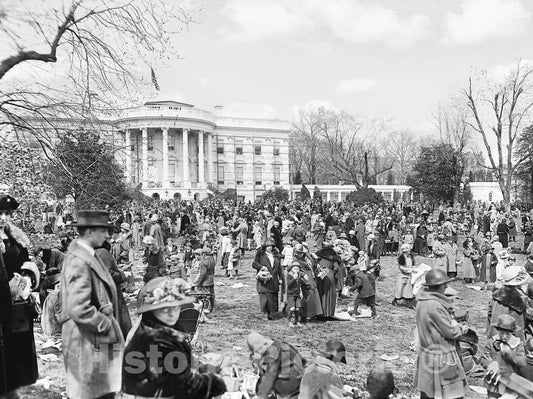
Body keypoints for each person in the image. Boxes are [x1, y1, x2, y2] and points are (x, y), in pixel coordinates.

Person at [122, 277, 227, 398]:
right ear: (152, 311)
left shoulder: (165, 326)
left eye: (176, 307)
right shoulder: (152, 338)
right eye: (165, 309)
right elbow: (181, 385)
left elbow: (179, 361)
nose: (172, 313)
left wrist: (201, 366)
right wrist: (214, 383)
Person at [58, 210, 125, 399]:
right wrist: (105, 324)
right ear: (89, 232)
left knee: (97, 390)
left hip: (90, 338)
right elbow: (79, 307)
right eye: (103, 230)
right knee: (91, 393)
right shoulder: (79, 261)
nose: (108, 235)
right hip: (86, 338)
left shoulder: (87, 254)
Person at [0, 194, 38, 398]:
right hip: (1, 302)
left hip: (18, 304)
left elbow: (28, 262)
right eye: (0, 213)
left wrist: (28, 278)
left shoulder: (16, 236)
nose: (3, 218)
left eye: (7, 213)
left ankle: (14, 388)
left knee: (18, 348)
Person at [414, 268, 467, 399]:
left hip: (427, 353)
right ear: (438, 286)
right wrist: (460, 329)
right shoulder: (435, 305)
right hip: (443, 356)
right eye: (445, 284)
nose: (446, 287)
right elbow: (450, 332)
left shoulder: (422, 301)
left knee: (428, 393)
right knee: (453, 394)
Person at [247, 332, 306, 399]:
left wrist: (260, 396)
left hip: (291, 392)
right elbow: (303, 361)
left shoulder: (273, 355)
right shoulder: (281, 345)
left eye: (258, 350)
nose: (259, 352)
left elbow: (268, 380)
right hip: (301, 386)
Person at [480, 314, 526, 398]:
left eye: (507, 334)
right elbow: (483, 359)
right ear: (497, 331)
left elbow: (522, 362)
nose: (504, 336)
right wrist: (490, 364)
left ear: (513, 332)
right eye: (501, 333)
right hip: (493, 382)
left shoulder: (518, 345)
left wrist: (510, 354)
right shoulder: (491, 342)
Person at [487, 266, 529, 343]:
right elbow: (519, 326)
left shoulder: (496, 295)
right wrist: (521, 344)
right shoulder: (518, 301)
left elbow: (489, 316)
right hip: (509, 340)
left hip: (494, 335)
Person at [252, 238, 283, 321]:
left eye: (271, 246)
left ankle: (272, 314)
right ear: (265, 246)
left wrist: (281, 278)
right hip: (264, 280)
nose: (269, 247)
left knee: (273, 298)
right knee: (264, 298)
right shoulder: (260, 254)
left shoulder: (276, 255)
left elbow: (279, 268)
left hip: (273, 280)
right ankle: (264, 313)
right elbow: (254, 264)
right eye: (268, 246)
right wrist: (261, 267)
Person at [315, 241, 341, 318]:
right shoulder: (334, 257)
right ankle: (328, 313)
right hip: (329, 273)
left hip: (320, 273)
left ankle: (319, 313)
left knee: (320, 292)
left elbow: (315, 264)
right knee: (329, 293)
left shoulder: (318, 255)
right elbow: (336, 268)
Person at [392, 244, 415, 308]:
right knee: (400, 289)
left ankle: (409, 302)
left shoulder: (410, 257)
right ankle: (395, 300)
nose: (409, 251)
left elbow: (412, 264)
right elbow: (402, 267)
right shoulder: (401, 258)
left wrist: (413, 268)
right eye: (408, 250)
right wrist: (410, 270)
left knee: (408, 290)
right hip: (403, 275)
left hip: (408, 276)